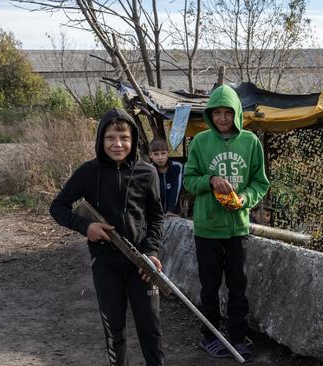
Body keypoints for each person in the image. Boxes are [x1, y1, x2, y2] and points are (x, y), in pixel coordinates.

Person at [49, 108, 166, 366]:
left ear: (133, 139)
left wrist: (152, 252)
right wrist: (85, 227)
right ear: (101, 139)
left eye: (124, 137)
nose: (118, 144)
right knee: (114, 331)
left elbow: (157, 217)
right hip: (105, 264)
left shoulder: (148, 173)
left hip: (141, 266)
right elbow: (58, 207)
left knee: (151, 328)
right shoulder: (88, 172)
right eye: (110, 137)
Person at [183, 85, 270, 362]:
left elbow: (260, 182)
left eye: (227, 112)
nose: (222, 118)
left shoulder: (251, 143)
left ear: (237, 113)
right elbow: (188, 180)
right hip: (207, 228)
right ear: (210, 114)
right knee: (209, 286)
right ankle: (209, 337)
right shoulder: (200, 142)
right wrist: (209, 181)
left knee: (238, 285)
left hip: (237, 228)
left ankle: (237, 337)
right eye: (217, 112)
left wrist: (244, 198)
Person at [149, 137, 183, 217]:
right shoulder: (149, 170)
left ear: (168, 152)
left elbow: (176, 189)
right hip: (155, 215)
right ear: (150, 155)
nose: (160, 157)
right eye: (156, 154)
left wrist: (170, 211)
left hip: (173, 214)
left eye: (163, 153)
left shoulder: (177, 167)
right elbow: (150, 194)